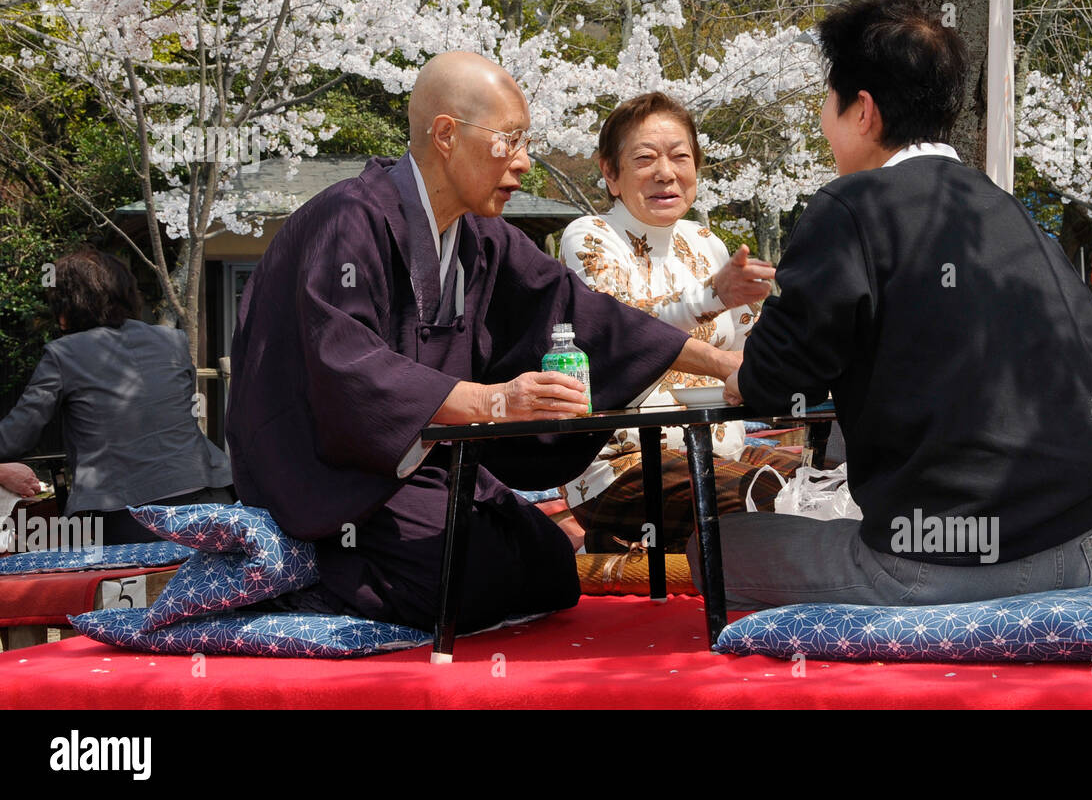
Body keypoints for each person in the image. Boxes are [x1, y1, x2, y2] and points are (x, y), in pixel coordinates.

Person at [225, 52, 740, 633]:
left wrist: (725, 366)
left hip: (426, 464)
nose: (523, 163)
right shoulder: (349, 219)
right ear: (446, 134)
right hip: (332, 475)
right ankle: (300, 567)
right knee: (458, 579)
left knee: (549, 568)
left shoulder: (480, 235)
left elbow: (588, 315)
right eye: (509, 142)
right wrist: (494, 401)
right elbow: (349, 367)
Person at [702, 0, 1092, 610]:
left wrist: (745, 372)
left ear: (863, 111)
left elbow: (770, 381)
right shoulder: (1010, 211)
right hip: (1088, 541)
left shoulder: (850, 206)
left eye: (828, 101)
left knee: (708, 548)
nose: (824, 120)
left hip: (941, 562)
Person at [559, 92, 800, 553]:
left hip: (721, 449)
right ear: (610, 173)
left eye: (680, 157)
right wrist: (712, 295)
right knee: (769, 497)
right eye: (645, 158)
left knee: (827, 482)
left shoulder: (705, 240)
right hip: (626, 462)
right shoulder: (589, 236)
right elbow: (626, 332)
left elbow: (751, 348)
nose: (666, 173)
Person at [0, 249, 233, 544]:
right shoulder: (172, 340)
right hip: (210, 500)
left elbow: (16, 437)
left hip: (126, 515)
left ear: (67, 305)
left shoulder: (63, 354)